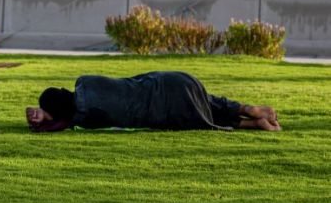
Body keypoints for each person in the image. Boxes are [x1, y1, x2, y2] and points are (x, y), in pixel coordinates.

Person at [26, 71, 281, 132]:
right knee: (205, 102)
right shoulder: (86, 82)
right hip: (166, 81)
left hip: (156, 105)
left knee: (197, 118)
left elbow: (65, 121)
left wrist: (43, 122)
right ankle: (250, 110)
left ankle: (251, 123)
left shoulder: (86, 114)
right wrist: (45, 114)